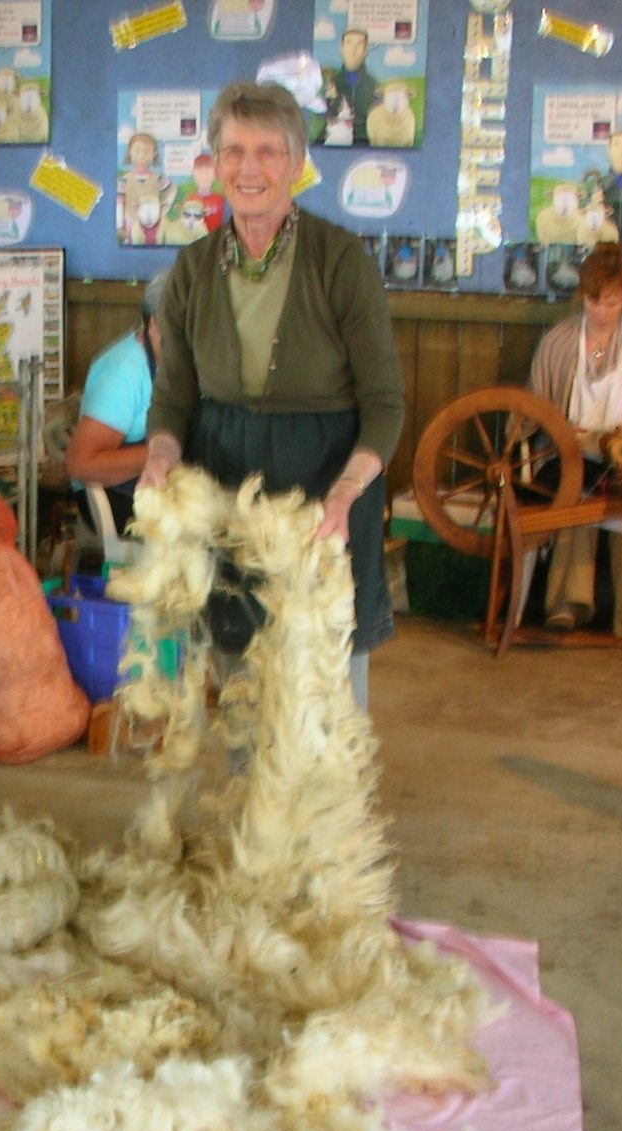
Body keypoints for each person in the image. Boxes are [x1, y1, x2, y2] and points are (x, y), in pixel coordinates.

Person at [137, 80, 402, 711]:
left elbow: (385, 404)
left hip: (324, 493)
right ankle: (249, 811)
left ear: (297, 164)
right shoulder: (192, 271)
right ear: (215, 163)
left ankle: (327, 813)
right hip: (229, 488)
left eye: (267, 152)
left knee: (325, 700)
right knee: (243, 689)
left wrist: (344, 494)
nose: (248, 168)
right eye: (233, 151)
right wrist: (160, 455)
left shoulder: (340, 263)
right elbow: (174, 397)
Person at [528, 243, 622, 658]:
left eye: (611, 302)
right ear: (583, 296)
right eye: (594, 300)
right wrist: (562, 431)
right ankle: (566, 606)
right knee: (572, 496)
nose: (601, 311)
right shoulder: (558, 344)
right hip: (569, 454)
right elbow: (533, 409)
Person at [64, 268, 170, 535]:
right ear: (154, 324)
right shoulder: (123, 373)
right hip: (116, 497)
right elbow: (81, 464)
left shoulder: (187, 361)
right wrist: (162, 454)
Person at [323, 30, 381, 147]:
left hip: (366, 145)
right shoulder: (331, 82)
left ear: (365, 51)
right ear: (341, 48)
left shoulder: (373, 85)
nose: (353, 51)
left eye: (359, 45)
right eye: (349, 44)